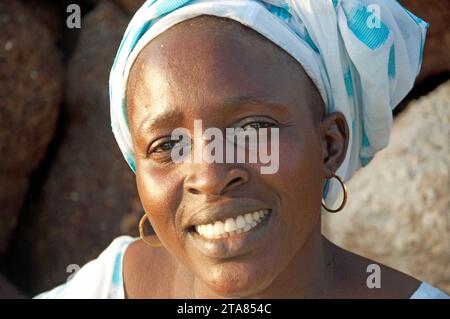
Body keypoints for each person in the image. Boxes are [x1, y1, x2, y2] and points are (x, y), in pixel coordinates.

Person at [35, 0, 448, 298]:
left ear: (329, 147)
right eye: (168, 144)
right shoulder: (104, 288)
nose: (211, 176)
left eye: (252, 128)